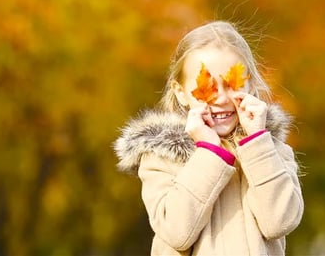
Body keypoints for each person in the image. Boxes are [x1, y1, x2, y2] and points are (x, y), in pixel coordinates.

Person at [114, 21, 304, 255]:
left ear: (251, 85)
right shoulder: (161, 158)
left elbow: (280, 221)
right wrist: (209, 153)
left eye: (233, 84)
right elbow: (176, 233)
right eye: (207, 87)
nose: (221, 98)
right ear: (181, 93)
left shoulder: (270, 151)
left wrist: (257, 142)